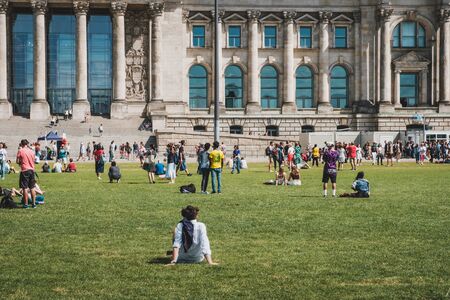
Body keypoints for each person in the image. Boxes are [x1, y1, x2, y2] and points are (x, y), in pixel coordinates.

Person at [16, 139, 37, 209]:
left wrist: (21, 163)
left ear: (21, 144)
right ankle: (34, 204)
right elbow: (34, 160)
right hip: (32, 170)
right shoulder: (32, 151)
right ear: (27, 144)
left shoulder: (20, 150)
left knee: (24, 188)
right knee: (32, 187)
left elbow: (17, 161)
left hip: (25, 170)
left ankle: (26, 204)